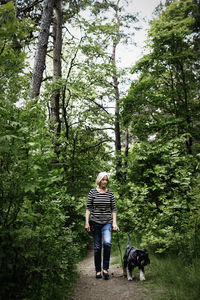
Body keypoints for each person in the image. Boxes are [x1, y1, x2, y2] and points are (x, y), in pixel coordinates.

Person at [85, 172, 119, 279]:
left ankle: (105, 269)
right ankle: (98, 270)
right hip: (95, 222)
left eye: (106, 180)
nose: (105, 181)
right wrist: (87, 222)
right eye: (103, 179)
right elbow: (88, 208)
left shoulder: (110, 193)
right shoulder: (92, 192)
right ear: (99, 180)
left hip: (107, 223)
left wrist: (114, 222)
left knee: (107, 243)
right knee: (97, 247)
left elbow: (113, 209)